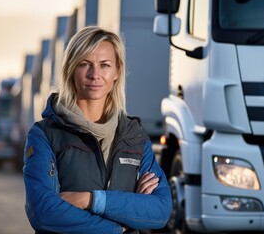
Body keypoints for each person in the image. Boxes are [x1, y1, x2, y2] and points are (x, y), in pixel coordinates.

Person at [23, 25, 172, 233]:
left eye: (105, 65)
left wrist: (92, 200)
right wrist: (120, 226)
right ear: (71, 70)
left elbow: (160, 210)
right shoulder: (44, 135)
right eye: (85, 64)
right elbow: (44, 211)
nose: (95, 74)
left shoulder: (133, 136)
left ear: (117, 72)